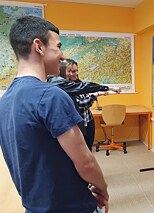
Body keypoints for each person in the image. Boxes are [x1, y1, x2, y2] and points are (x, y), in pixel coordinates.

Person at [0, 16, 109, 213]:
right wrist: (103, 188)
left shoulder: (5, 101)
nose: (62, 55)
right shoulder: (51, 96)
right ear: (39, 47)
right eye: (58, 47)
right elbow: (85, 161)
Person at [48, 59, 120, 150]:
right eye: (72, 71)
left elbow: (86, 93)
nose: (76, 73)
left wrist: (99, 93)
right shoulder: (61, 86)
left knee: (88, 148)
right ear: (63, 72)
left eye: (76, 70)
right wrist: (99, 93)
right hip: (75, 125)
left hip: (88, 120)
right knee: (80, 151)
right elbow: (82, 103)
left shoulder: (77, 83)